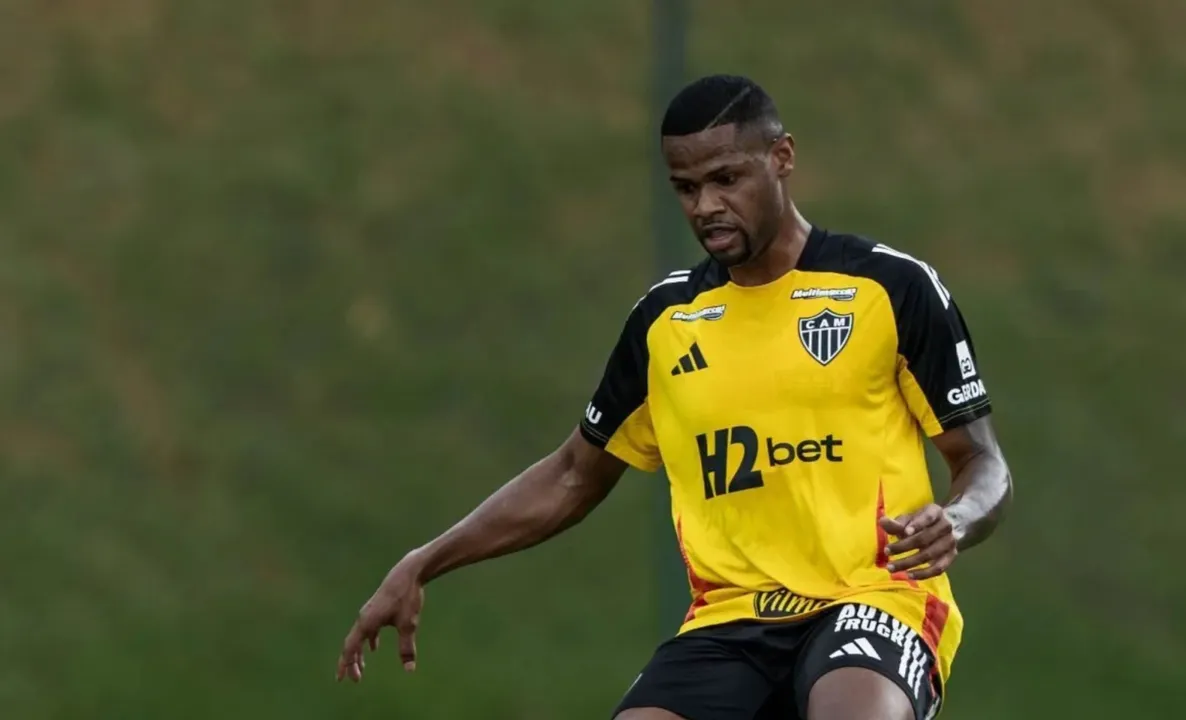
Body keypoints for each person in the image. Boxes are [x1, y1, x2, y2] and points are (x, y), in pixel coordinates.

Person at [335, 74, 1013, 720]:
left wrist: (954, 521)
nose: (705, 206)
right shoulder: (666, 322)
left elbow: (984, 465)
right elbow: (574, 474)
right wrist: (425, 560)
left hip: (873, 598)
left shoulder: (887, 288)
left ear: (782, 158)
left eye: (726, 179)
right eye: (685, 188)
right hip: (728, 620)